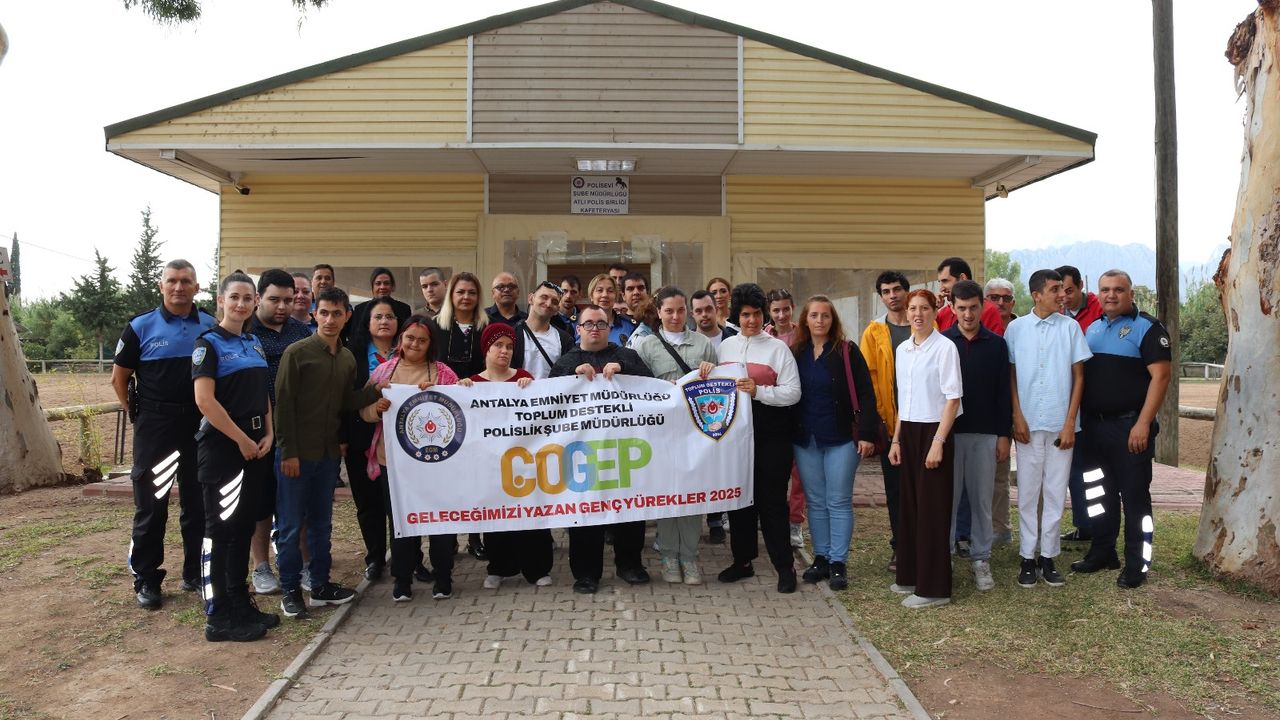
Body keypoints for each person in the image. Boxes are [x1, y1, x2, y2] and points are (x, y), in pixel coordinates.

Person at [112, 259, 216, 610]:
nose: (178, 287)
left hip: (199, 424)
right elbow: (119, 379)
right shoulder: (140, 326)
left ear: (196, 287)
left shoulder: (210, 325)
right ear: (161, 286)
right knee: (151, 505)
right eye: (172, 280)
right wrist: (139, 415)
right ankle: (147, 578)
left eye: (186, 281)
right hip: (156, 426)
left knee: (198, 503)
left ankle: (194, 573)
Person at [274, 286, 382, 618]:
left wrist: (376, 391)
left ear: (347, 316)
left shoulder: (347, 358)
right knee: (291, 527)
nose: (330, 319)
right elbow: (283, 404)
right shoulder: (297, 353)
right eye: (324, 313)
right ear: (314, 315)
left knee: (321, 524)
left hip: (328, 456)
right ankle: (291, 590)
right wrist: (288, 452)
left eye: (337, 313)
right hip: (296, 455)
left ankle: (320, 585)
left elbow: (346, 401)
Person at [191, 272, 279, 641]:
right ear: (221, 300)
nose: (241, 304)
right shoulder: (207, 344)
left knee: (243, 528)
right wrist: (242, 439)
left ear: (255, 302)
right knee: (221, 532)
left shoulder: (253, 342)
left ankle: (240, 604)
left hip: (256, 447)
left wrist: (269, 432)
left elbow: (264, 395)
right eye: (235, 297)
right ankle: (218, 616)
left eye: (247, 298)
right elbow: (204, 401)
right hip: (225, 450)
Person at [1071, 270, 1171, 589]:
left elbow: (1161, 378)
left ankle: (1137, 563)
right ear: (1097, 294)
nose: (1111, 295)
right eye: (1105, 290)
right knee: (1097, 492)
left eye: (1118, 289)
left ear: (1131, 294)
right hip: (1094, 427)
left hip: (1130, 427)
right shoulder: (1093, 328)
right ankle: (1103, 552)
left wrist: (1142, 423)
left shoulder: (1148, 329)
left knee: (1135, 498)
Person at [550, 304, 654, 594]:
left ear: (609, 328)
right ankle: (586, 573)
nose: (595, 328)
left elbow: (653, 388)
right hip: (583, 453)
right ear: (578, 329)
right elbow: (547, 399)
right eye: (589, 324)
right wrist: (572, 375)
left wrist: (625, 371)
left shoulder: (627, 356)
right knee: (584, 514)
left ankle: (630, 564)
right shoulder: (566, 361)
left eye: (601, 323)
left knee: (629, 510)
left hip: (624, 451)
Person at [358, 315, 461, 602]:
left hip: (436, 463)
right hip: (393, 463)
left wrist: (441, 395)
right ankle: (402, 579)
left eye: (422, 340)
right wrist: (377, 409)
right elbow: (363, 411)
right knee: (401, 521)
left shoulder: (443, 373)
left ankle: (443, 576)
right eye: (410, 338)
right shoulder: (383, 372)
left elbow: (461, 410)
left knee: (441, 519)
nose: (415, 344)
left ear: (431, 344)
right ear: (400, 339)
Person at [1005, 269, 1092, 588]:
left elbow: (1079, 377)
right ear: (1037, 295)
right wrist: (1017, 416)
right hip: (1027, 425)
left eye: (1063, 289)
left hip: (1060, 425)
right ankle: (1027, 557)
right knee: (1028, 493)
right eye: (1055, 289)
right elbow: (1011, 375)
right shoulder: (1016, 329)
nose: (1062, 295)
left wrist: (1070, 423)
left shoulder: (1070, 328)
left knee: (1055, 492)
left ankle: (1048, 556)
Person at [716, 284, 802, 594]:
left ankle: (785, 567)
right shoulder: (725, 347)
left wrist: (760, 391)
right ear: (736, 316)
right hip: (736, 436)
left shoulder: (778, 349)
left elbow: (793, 392)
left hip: (772, 433)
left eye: (756, 314)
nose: (751, 320)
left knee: (772, 502)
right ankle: (742, 562)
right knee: (740, 500)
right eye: (745, 315)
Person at [791, 295, 879, 592]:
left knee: (838, 500)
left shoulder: (846, 351)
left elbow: (866, 393)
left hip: (841, 438)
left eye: (825, 315)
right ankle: (821, 558)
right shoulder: (796, 352)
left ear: (833, 320)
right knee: (816, 501)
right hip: (806, 439)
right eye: (814, 315)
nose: (820, 320)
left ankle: (838, 562)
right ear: (805, 320)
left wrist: (867, 434)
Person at [457, 324, 553, 590]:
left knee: (531, 515)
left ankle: (536, 569)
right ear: (486, 349)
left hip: (524, 462)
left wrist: (531, 387)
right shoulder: (472, 384)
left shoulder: (523, 378)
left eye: (509, 347)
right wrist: (461, 391)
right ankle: (499, 567)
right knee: (496, 516)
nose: (504, 351)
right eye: (498, 345)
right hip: (491, 465)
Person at [634, 287, 717, 585]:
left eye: (680, 310)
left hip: (695, 433)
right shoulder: (645, 346)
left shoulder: (703, 344)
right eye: (668, 311)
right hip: (661, 434)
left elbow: (718, 387)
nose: (675, 316)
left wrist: (711, 370)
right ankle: (669, 556)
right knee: (667, 493)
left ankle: (690, 557)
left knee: (692, 494)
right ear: (658, 312)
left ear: (688, 312)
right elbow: (638, 387)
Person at [887, 289, 962, 609]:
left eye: (924, 308)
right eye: (912, 308)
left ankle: (934, 589)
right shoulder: (903, 349)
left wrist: (938, 443)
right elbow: (903, 399)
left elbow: (953, 399)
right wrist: (895, 440)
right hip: (908, 431)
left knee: (932, 510)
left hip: (934, 432)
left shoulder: (945, 348)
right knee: (910, 507)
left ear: (935, 312)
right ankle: (910, 575)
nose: (917, 314)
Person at [941, 280, 1011, 592]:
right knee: (948, 499)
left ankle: (981, 557)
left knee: (982, 500)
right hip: (950, 435)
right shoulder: (943, 343)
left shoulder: (996, 345)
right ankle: (943, 558)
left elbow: (1003, 393)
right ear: (952, 308)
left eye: (973, 308)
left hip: (985, 434)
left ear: (983, 307)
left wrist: (1003, 435)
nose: (968, 314)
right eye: (962, 308)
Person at [247, 270, 312, 596]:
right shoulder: (245, 331)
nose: (283, 306)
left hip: (295, 430)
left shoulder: (301, 332)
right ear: (259, 298)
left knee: (297, 503)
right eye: (275, 299)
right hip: (257, 431)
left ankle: (304, 563)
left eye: (288, 299)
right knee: (260, 503)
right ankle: (261, 566)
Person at [432, 271, 488, 560]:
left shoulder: (486, 327)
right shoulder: (435, 327)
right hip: (444, 414)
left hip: (479, 413)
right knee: (449, 476)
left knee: (476, 477)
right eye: (460, 292)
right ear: (451, 295)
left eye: (472, 292)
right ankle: (449, 536)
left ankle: (475, 537)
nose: (466, 297)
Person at [345, 297, 400, 583]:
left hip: (400, 441)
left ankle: (405, 559)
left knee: (398, 503)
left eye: (389, 316)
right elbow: (343, 399)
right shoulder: (352, 356)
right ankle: (375, 558)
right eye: (378, 317)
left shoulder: (409, 351)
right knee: (368, 503)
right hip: (362, 437)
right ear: (367, 323)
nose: (384, 321)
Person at [860, 271, 911, 572]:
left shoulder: (926, 324)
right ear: (880, 296)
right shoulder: (874, 331)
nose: (892, 295)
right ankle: (900, 547)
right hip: (890, 424)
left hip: (924, 423)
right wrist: (876, 420)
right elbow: (867, 380)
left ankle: (928, 546)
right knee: (896, 491)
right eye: (886, 291)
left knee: (925, 488)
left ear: (907, 292)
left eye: (897, 289)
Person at [1056, 264, 1104, 546]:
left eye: (1069, 291)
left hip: (1097, 404)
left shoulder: (1100, 311)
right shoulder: (1058, 315)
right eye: (1059, 291)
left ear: (1081, 287)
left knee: (1093, 470)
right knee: (1075, 469)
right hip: (1070, 404)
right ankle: (1084, 525)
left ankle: (1099, 526)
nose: (1064, 297)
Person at [691, 287, 737, 543]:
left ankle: (716, 518)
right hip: (696, 412)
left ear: (716, 308)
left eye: (708, 309)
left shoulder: (733, 338)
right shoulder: (688, 341)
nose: (704, 315)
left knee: (720, 466)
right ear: (692, 314)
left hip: (726, 411)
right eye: (698, 311)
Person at [765, 288, 806, 548]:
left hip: (800, 410)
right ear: (769, 312)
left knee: (799, 472)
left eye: (786, 309)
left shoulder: (804, 335)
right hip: (773, 410)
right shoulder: (763, 335)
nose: (781, 315)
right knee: (774, 470)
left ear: (793, 308)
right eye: (776, 310)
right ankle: (774, 519)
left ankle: (795, 522)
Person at [984, 277, 1018, 545]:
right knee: (995, 469)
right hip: (992, 407)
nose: (1000, 303)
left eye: (1005, 298)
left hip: (1024, 408)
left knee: (1009, 473)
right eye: (994, 298)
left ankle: (1003, 526)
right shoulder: (980, 328)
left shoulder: (1022, 329)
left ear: (1013, 302)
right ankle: (994, 527)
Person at [513, 281, 575, 379]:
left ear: (557, 310)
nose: (548, 304)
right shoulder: (512, 335)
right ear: (531, 298)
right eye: (544, 297)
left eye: (554, 302)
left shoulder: (565, 340)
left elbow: (570, 375)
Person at [935, 257, 1003, 335]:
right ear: (953, 309)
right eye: (940, 282)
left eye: (945, 281)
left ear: (962, 278)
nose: (941, 288)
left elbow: (995, 341)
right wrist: (933, 309)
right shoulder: (942, 313)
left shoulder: (989, 311)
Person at [350, 267, 412, 341]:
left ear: (392, 286)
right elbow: (354, 338)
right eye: (378, 283)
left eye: (386, 283)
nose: (382, 287)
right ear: (372, 287)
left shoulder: (404, 309)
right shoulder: (360, 310)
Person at [583, 273, 636, 346]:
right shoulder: (577, 323)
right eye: (600, 290)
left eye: (610, 291)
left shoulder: (629, 325)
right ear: (591, 296)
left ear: (616, 296)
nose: (605, 295)